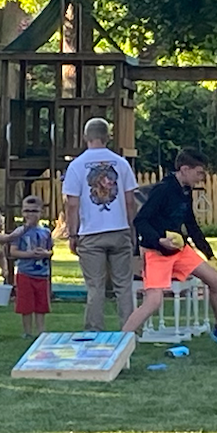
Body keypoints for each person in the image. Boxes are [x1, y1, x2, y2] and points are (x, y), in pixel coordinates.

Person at [123, 149, 217, 351]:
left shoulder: (186, 190)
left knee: (214, 279)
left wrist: (209, 254)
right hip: (157, 251)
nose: (201, 177)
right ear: (185, 169)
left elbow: (191, 224)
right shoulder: (162, 190)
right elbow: (140, 220)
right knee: (154, 300)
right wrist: (159, 240)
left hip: (179, 250)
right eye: (199, 172)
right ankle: (122, 339)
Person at [61, 118, 140, 331]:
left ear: (86, 137)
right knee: (123, 285)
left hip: (91, 233)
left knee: (95, 285)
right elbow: (130, 201)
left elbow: (72, 204)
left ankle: (94, 330)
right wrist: (132, 229)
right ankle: (129, 330)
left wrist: (72, 234)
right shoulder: (121, 164)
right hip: (119, 229)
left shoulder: (76, 166)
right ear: (108, 137)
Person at [8, 195, 54, 337]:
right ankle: (27, 332)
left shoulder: (46, 232)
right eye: (27, 211)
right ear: (22, 212)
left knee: (41, 305)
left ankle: (41, 331)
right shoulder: (20, 232)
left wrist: (45, 253)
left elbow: (51, 250)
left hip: (42, 274)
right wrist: (30, 254)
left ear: (41, 213)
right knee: (26, 305)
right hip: (25, 273)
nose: (30, 214)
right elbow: (13, 251)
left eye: (34, 211)